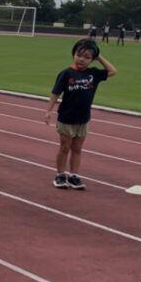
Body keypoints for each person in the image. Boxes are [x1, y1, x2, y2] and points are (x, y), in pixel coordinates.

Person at [44, 39, 118, 190]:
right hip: (66, 117)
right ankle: (60, 174)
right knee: (65, 147)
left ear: (91, 60)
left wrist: (99, 57)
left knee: (77, 149)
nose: (81, 59)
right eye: (79, 55)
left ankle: (74, 176)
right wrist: (49, 110)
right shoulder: (66, 73)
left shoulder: (93, 74)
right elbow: (55, 93)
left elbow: (112, 71)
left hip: (83, 118)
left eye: (86, 57)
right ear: (73, 55)